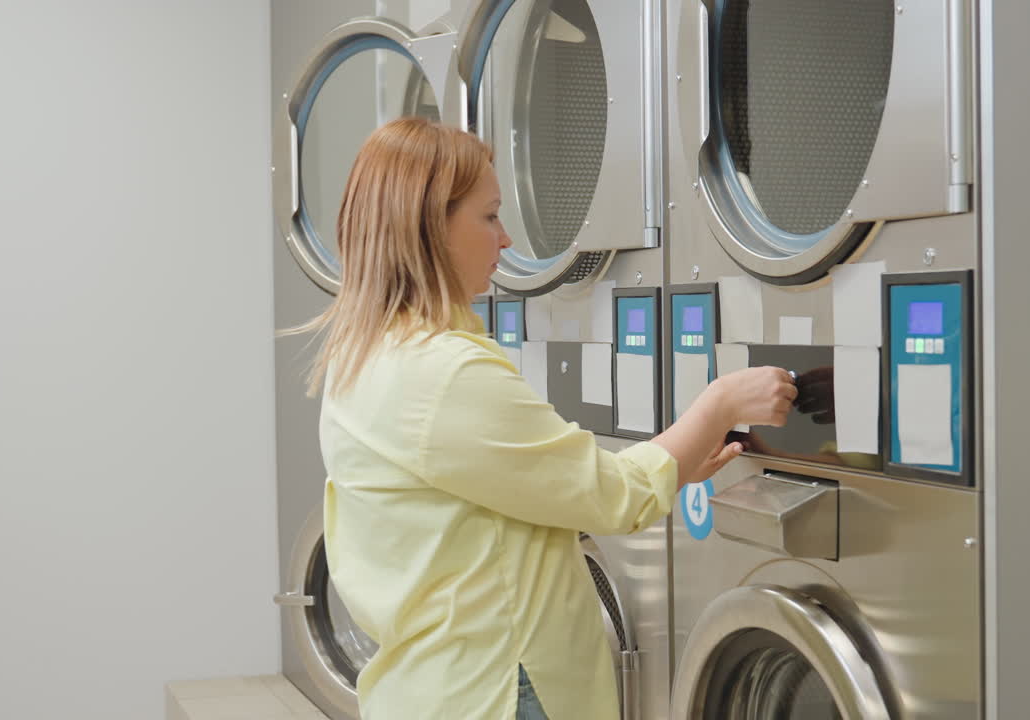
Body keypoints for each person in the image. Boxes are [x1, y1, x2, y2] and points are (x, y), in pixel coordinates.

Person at [290, 116, 796, 719]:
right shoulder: (443, 374)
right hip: (500, 689)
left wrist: (681, 460)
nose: (504, 240)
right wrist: (719, 404)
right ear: (431, 228)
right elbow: (609, 496)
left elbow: (519, 497)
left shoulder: (366, 358)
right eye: (489, 216)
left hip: (428, 686)